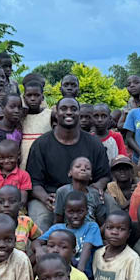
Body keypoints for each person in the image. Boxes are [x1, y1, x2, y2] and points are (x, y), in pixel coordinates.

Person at [26, 98, 110, 231]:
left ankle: (104, 243)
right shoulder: (41, 144)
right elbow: (33, 182)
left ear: (79, 113)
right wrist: (45, 197)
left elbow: (105, 175)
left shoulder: (94, 143)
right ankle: (43, 244)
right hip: (51, 195)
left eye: (73, 109)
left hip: (86, 193)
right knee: (42, 222)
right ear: (56, 113)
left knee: (113, 210)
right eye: (64, 109)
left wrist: (98, 187)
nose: (69, 112)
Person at [39, 191, 103, 278]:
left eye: (80, 212)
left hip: (83, 271)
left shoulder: (91, 226)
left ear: (87, 211)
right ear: (65, 211)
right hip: (59, 269)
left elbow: (87, 248)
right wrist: (38, 250)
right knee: (43, 249)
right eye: (71, 212)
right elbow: (37, 242)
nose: (75, 216)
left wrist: (79, 274)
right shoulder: (57, 228)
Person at [0, 185, 42, 256]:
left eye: (12, 201)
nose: (6, 205)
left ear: (20, 205)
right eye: (1, 202)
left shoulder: (26, 221)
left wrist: (38, 249)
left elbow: (39, 238)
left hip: (20, 262)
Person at [54, 157, 106, 225]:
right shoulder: (62, 192)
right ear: (70, 173)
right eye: (78, 166)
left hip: (90, 230)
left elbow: (102, 221)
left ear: (91, 176)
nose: (83, 169)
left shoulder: (95, 194)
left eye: (87, 168)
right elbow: (58, 220)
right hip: (68, 230)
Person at [19, 80, 54, 170]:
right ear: (24, 97)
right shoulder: (20, 117)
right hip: (23, 164)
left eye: (36, 95)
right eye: (29, 95)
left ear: (42, 97)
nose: (33, 98)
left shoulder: (49, 115)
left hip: (45, 162)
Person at [0, 139, 31, 205]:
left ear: (18, 156)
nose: (6, 161)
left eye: (10, 157)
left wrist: (13, 208)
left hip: (15, 208)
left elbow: (23, 199)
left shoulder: (24, 175)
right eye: (2, 158)